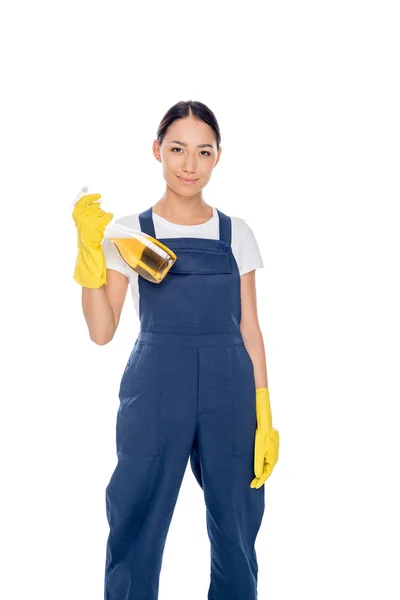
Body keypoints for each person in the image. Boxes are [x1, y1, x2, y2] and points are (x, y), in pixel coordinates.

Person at [72, 100, 280, 600]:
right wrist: (88, 255)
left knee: (236, 522)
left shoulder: (237, 233)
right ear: (157, 151)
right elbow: (102, 331)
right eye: (178, 149)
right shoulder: (128, 232)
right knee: (137, 513)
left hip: (231, 387)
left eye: (203, 152)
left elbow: (250, 326)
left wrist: (264, 408)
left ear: (218, 157)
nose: (190, 164)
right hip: (156, 384)